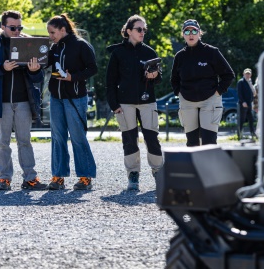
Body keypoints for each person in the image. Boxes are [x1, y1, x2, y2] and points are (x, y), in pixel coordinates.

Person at [0, 10, 46, 191]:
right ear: (3, 27)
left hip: (24, 101)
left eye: (19, 28)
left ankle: (30, 178)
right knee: (2, 142)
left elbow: (39, 76)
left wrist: (34, 70)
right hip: (1, 103)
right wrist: (2, 67)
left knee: (25, 141)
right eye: (12, 28)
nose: (17, 31)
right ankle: (4, 178)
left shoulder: (28, 44)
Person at [106, 15, 163, 191]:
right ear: (129, 31)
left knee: (152, 138)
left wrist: (155, 75)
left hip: (148, 102)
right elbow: (110, 81)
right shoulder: (118, 53)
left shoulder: (150, 52)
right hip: (125, 103)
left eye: (144, 29)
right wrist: (114, 105)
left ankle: (159, 172)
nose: (142, 32)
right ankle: (133, 174)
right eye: (139, 29)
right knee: (129, 140)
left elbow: (158, 78)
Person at [46, 14, 97, 190]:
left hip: (75, 98)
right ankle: (58, 177)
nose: (50, 36)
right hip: (56, 98)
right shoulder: (54, 47)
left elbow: (93, 69)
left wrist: (72, 77)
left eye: (52, 32)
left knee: (77, 137)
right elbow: (45, 64)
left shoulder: (82, 45)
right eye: (49, 33)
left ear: (63, 30)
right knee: (57, 138)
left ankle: (85, 177)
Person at [170, 19, 235, 146]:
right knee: (192, 142)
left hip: (210, 100)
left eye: (194, 31)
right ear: (183, 35)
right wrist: (179, 93)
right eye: (187, 31)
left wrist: (218, 91)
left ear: (200, 33)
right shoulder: (180, 56)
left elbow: (228, 75)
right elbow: (174, 79)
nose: (191, 34)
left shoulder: (211, 52)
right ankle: (193, 161)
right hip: (187, 101)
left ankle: (209, 161)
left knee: (208, 142)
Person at [236, 68, 257, 140]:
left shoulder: (250, 82)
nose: (248, 75)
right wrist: (243, 102)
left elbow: (253, 93)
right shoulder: (241, 82)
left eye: (249, 74)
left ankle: (253, 133)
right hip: (243, 104)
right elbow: (239, 93)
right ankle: (239, 134)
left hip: (249, 104)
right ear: (243, 74)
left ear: (251, 75)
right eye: (246, 74)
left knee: (251, 119)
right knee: (242, 120)